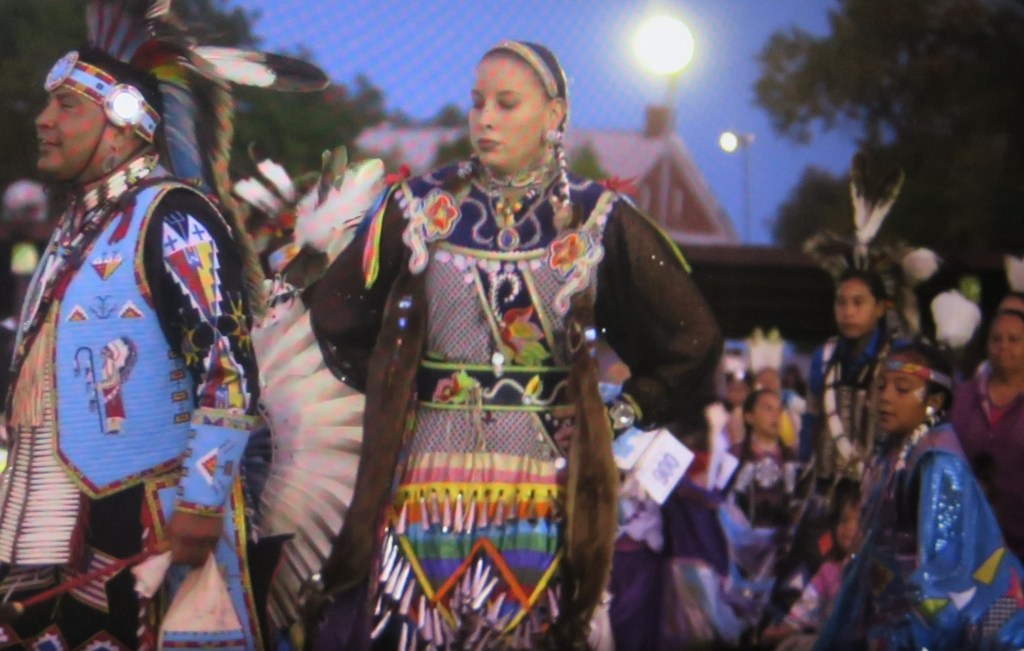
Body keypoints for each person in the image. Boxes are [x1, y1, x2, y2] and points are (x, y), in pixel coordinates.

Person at [305, 40, 721, 649]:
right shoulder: (422, 206)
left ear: (554, 115)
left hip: (543, 490)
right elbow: (337, 308)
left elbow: (692, 335)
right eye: (476, 104)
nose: (485, 119)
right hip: (427, 482)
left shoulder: (595, 217)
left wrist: (623, 410)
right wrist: (395, 384)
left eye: (506, 103)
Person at [0, 3, 326, 647]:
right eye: (47, 105)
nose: (43, 120)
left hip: (149, 523)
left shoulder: (174, 217)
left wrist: (203, 502)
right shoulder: (74, 229)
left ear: (124, 126)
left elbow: (227, 369)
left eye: (67, 107)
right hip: (55, 522)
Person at [815, 339, 1024, 650]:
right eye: (882, 385)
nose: (885, 397)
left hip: (969, 626)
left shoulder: (937, 462)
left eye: (902, 389)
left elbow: (943, 575)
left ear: (934, 401)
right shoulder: (893, 454)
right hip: (901, 619)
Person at [952, 308, 1024, 561]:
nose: (1004, 346)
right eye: (996, 339)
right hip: (962, 543)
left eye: (1014, 340)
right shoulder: (961, 396)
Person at [760, 480, 859, 651]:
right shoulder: (829, 570)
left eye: (857, 521)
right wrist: (782, 630)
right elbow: (807, 607)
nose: (847, 528)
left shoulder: (873, 572)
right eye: (843, 521)